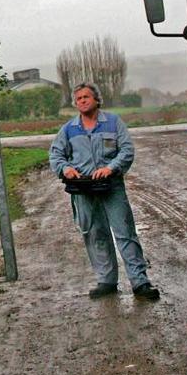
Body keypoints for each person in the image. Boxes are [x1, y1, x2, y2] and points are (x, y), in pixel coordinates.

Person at [49, 82, 160, 300]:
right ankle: (107, 281)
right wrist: (66, 168)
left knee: (125, 233)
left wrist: (111, 168)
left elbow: (127, 150)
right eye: (78, 98)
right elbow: (55, 155)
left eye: (86, 97)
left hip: (111, 186)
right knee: (95, 234)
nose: (82, 101)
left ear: (97, 100)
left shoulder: (113, 122)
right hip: (83, 189)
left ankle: (140, 283)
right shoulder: (69, 129)